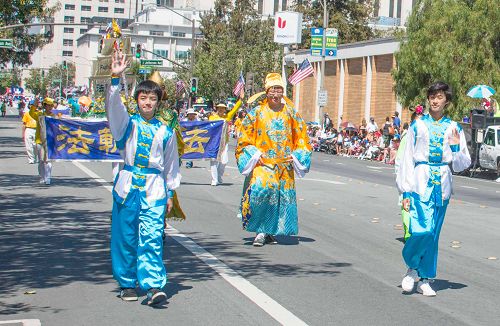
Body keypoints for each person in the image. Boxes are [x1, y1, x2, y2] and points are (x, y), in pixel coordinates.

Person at [106, 50, 181, 306]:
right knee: (125, 236)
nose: (147, 102)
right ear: (137, 99)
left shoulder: (165, 131)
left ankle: (152, 286)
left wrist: (170, 192)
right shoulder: (127, 124)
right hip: (128, 187)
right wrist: (116, 80)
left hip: (154, 190)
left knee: (151, 237)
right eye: (143, 97)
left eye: (152, 98)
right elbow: (114, 109)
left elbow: (171, 164)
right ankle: (127, 283)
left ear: (158, 102)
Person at [397, 82, 470, 296]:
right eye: (432, 96)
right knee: (422, 229)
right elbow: (406, 160)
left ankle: (425, 278)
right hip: (420, 182)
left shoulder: (454, 127)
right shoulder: (417, 126)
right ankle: (411, 267)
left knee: (434, 234)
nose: (435, 100)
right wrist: (405, 191)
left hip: (443, 185)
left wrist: (456, 146)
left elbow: (461, 163)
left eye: (439, 97)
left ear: (446, 100)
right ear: (428, 99)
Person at [235, 73, 312, 247]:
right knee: (261, 191)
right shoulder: (257, 113)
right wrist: (254, 155)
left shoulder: (291, 113)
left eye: (279, 90)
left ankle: (271, 230)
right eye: (272, 90)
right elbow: (244, 138)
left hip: (284, 164)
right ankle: (261, 230)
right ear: (266, 92)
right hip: (264, 163)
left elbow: (302, 137)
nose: (276, 94)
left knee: (279, 198)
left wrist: (297, 155)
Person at [208, 96, 242, 186]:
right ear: (217, 109)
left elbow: (235, 109)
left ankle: (219, 176)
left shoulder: (227, 117)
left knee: (224, 161)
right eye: (219, 108)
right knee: (214, 160)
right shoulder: (212, 118)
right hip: (214, 141)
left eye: (223, 108)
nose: (221, 110)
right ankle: (214, 179)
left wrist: (240, 100)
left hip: (224, 142)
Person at [34, 98, 55, 185]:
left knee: (48, 160)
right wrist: (34, 104)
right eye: (48, 105)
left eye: (51, 105)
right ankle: (42, 176)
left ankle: (48, 177)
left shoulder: (54, 116)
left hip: (50, 141)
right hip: (40, 141)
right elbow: (32, 113)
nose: (50, 107)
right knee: (41, 161)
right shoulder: (39, 115)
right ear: (45, 106)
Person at [21, 99, 40, 164]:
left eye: (34, 105)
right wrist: (23, 133)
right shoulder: (26, 114)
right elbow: (24, 124)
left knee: (36, 146)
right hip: (28, 129)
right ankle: (31, 159)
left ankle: (36, 157)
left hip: (37, 130)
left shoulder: (39, 113)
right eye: (31, 105)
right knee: (29, 145)